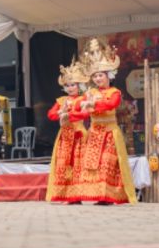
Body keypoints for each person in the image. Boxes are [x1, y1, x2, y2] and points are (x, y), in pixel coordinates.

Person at [70, 40, 136, 205]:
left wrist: (93, 104)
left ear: (109, 76)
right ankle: (98, 195)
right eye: (95, 76)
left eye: (101, 75)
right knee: (94, 165)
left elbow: (111, 104)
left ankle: (108, 196)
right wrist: (73, 107)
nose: (98, 78)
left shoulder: (115, 92)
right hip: (94, 135)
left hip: (108, 134)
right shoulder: (91, 92)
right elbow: (79, 104)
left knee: (108, 163)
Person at [46, 59, 88, 203]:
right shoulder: (61, 100)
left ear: (79, 86)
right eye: (68, 85)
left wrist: (68, 114)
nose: (70, 88)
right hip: (64, 135)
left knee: (78, 165)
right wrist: (60, 112)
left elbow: (85, 114)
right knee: (64, 165)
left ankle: (77, 195)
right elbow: (50, 115)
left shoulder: (83, 99)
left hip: (78, 135)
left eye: (73, 85)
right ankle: (67, 195)